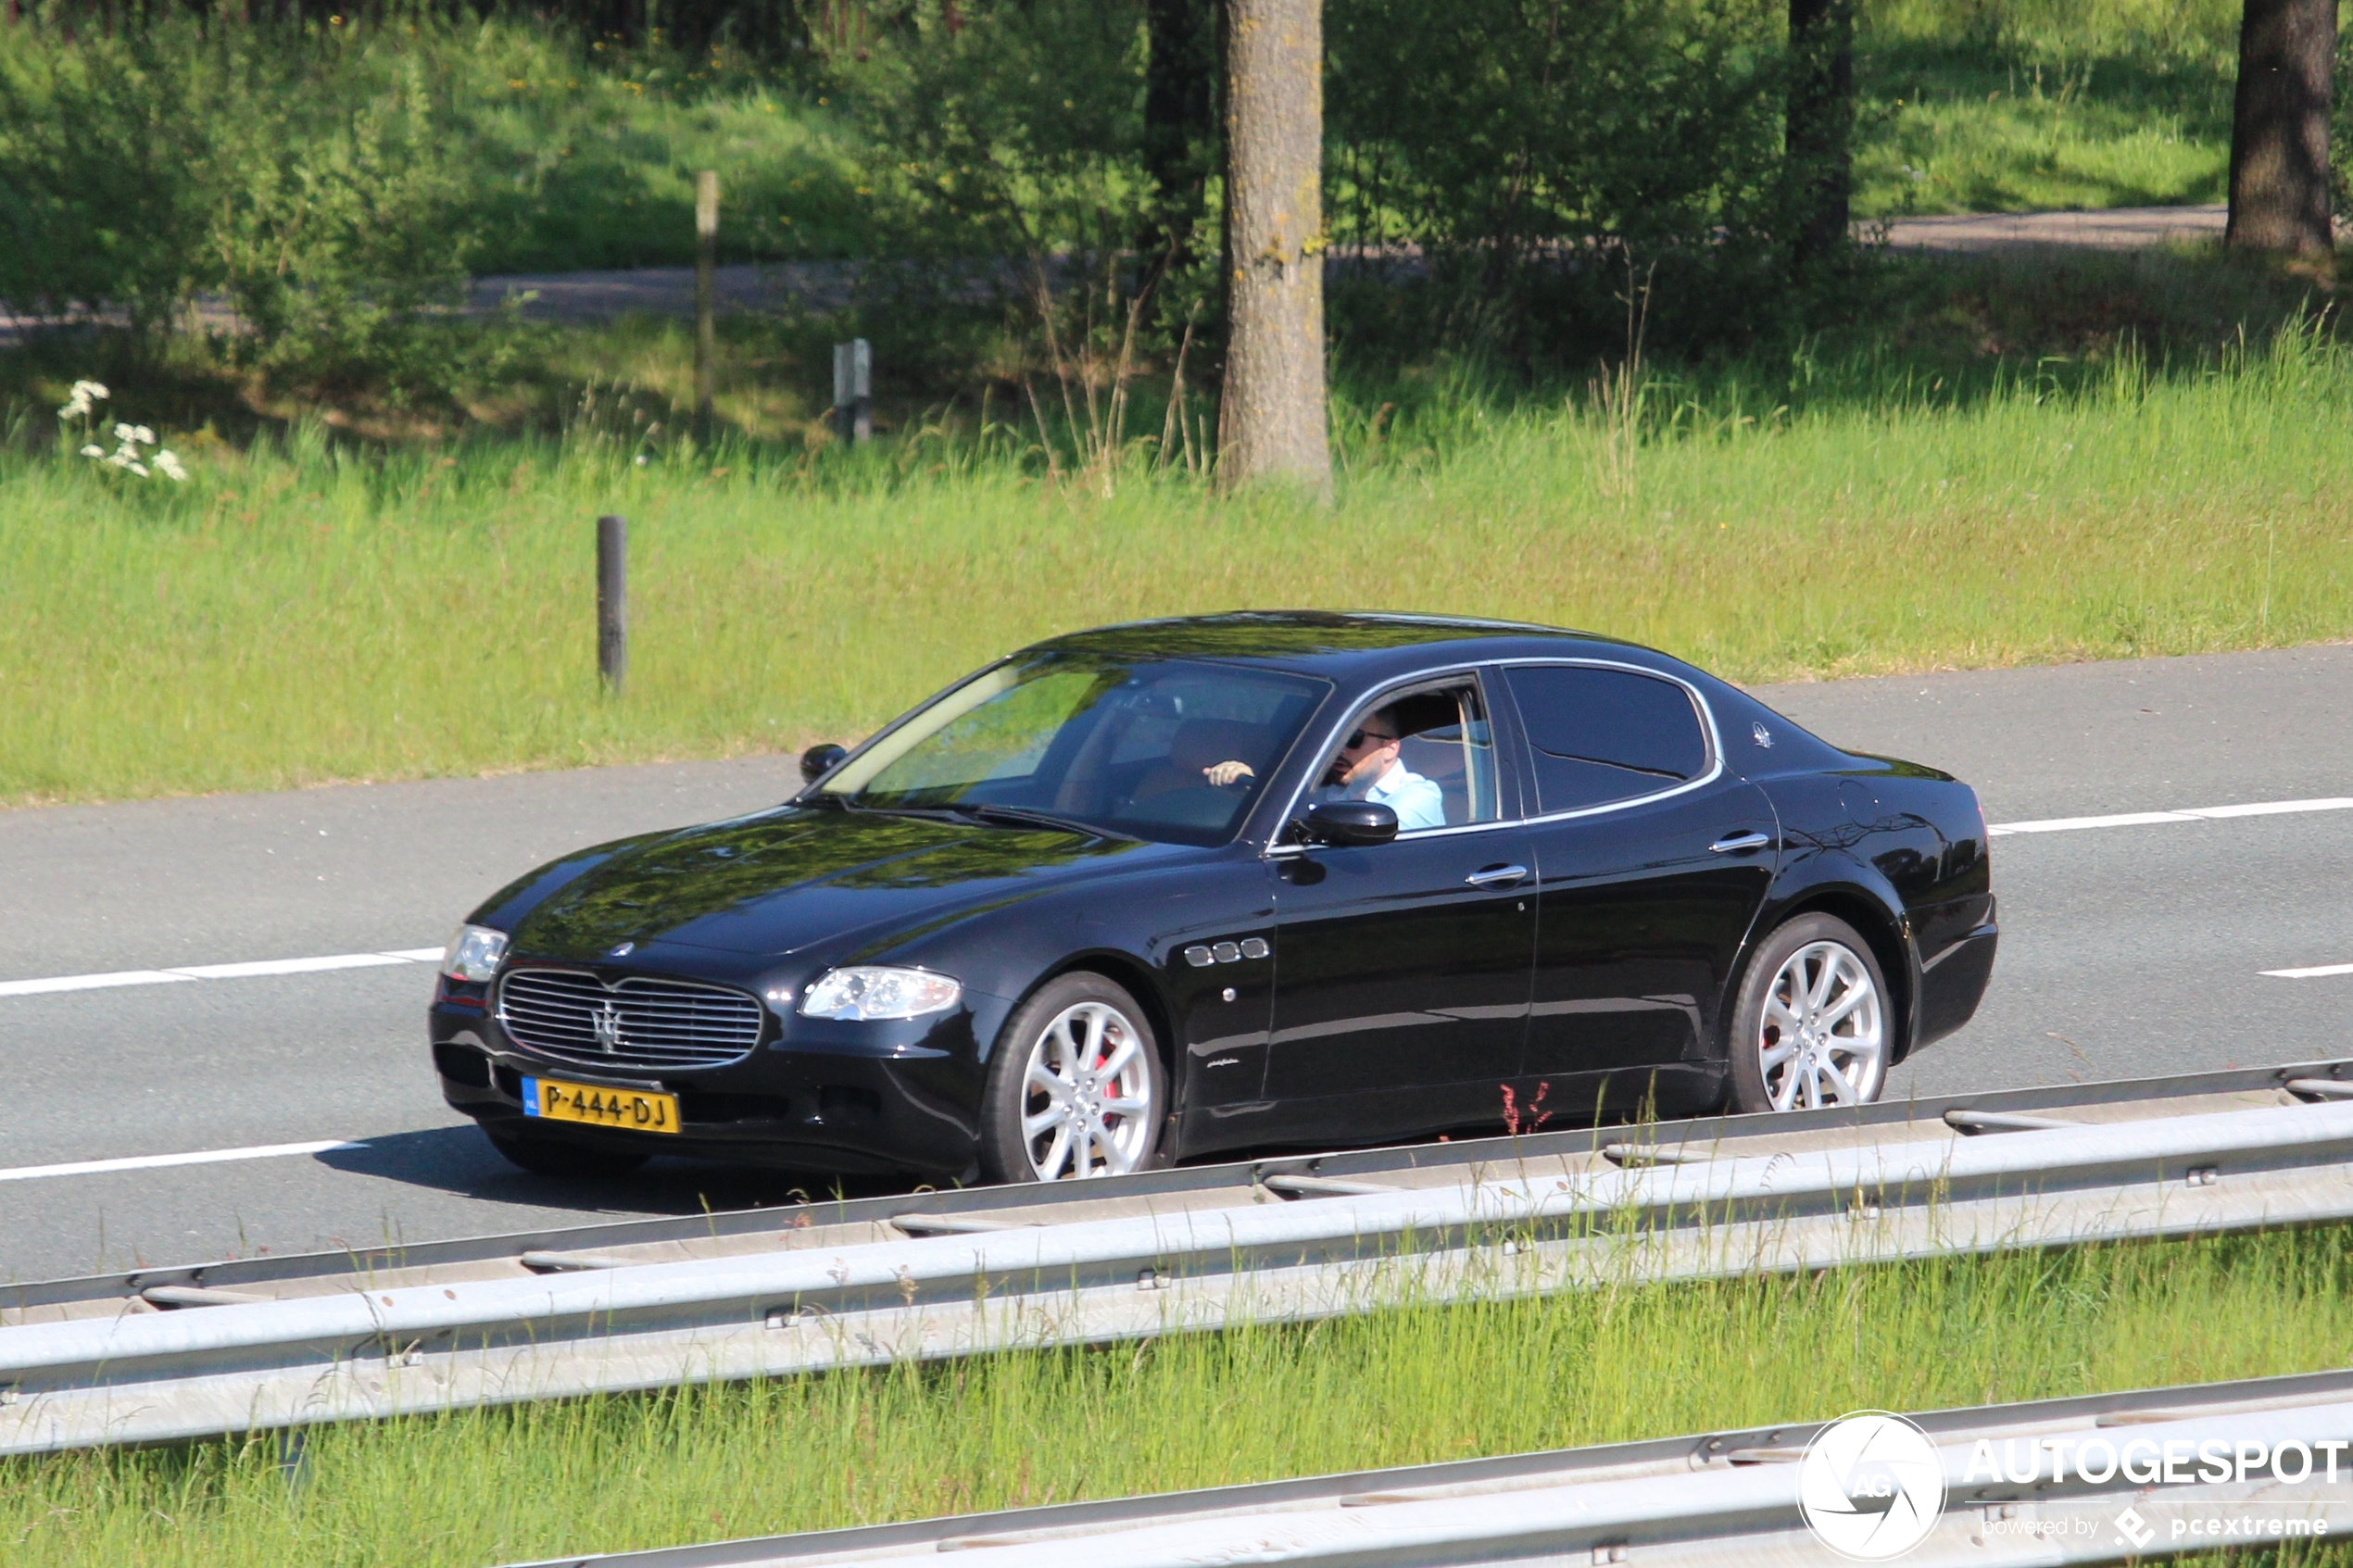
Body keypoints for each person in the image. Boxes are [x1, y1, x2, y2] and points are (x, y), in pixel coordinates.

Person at [1304, 707, 1445, 832]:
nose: (1340, 750)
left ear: (1390, 749)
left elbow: (1360, 853)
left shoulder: (1417, 798)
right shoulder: (1322, 789)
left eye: (1354, 738)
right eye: (1334, 739)